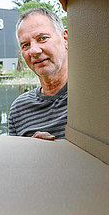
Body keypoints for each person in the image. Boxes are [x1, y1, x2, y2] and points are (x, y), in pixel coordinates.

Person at [8, 7, 68, 140]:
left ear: (65, 39)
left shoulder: (93, 96)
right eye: (25, 45)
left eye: (42, 38)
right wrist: (32, 149)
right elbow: (14, 159)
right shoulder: (19, 109)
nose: (34, 51)